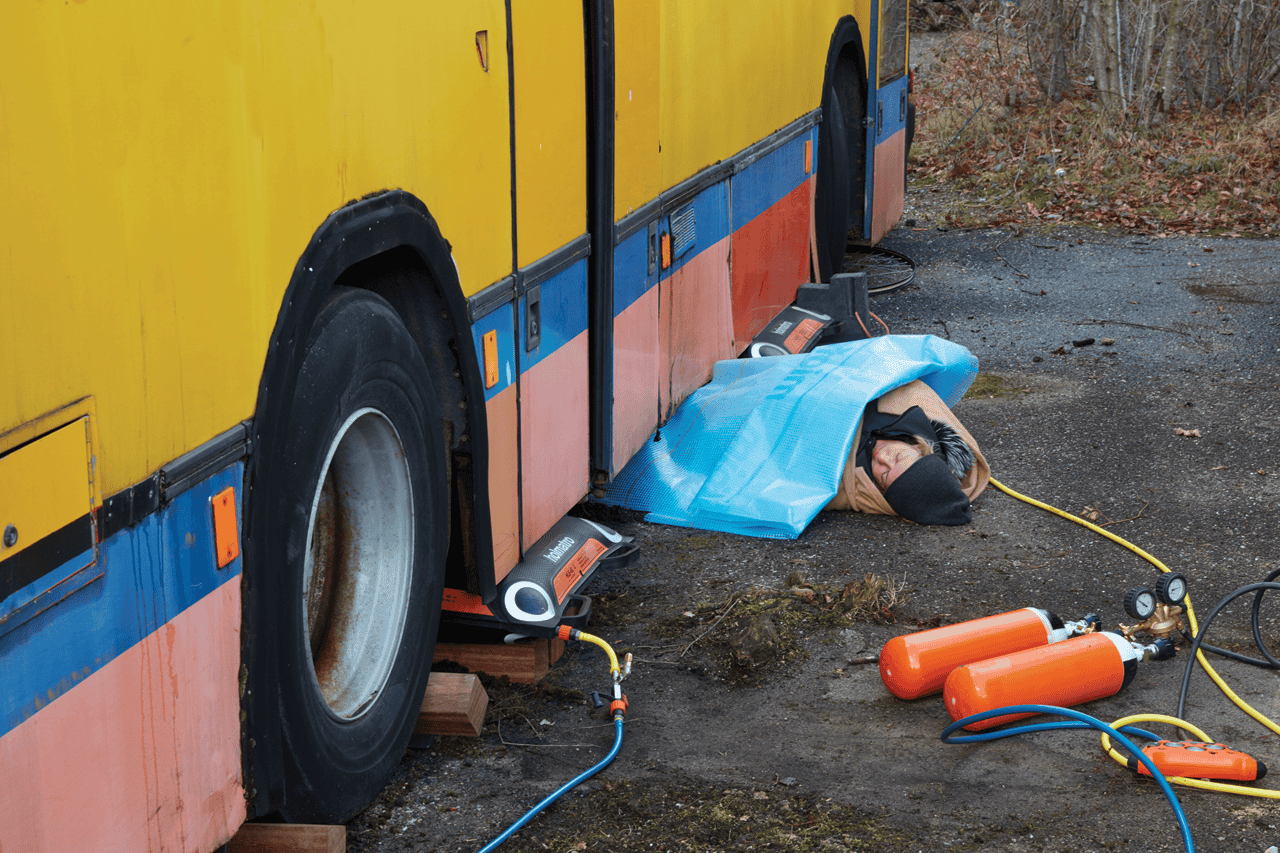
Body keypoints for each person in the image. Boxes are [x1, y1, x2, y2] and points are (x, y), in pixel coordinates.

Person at [824, 378, 989, 524]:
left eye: (884, 475)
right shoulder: (917, 410)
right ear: (919, 447)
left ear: (879, 488)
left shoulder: (844, 485)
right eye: (898, 457)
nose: (881, 457)